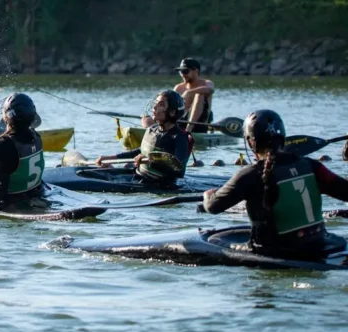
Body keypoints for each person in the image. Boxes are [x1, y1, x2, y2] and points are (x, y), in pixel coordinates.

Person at [202, 110, 348, 260]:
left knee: (214, 241)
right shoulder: (312, 167)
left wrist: (208, 195)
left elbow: (213, 207)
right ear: (282, 138)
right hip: (319, 244)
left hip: (276, 251)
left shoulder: (250, 175)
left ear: (251, 142)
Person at [95, 90, 192, 185]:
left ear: (172, 112)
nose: (154, 107)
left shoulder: (180, 137)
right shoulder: (152, 129)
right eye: (156, 103)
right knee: (113, 168)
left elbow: (178, 170)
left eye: (161, 105)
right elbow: (141, 151)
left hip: (159, 184)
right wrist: (110, 158)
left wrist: (150, 161)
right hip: (139, 177)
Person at [173, 58, 214, 133]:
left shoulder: (206, 83)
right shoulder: (178, 87)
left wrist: (189, 92)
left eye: (185, 71)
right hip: (181, 122)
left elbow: (210, 89)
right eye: (181, 72)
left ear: (196, 71)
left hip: (199, 123)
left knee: (199, 94)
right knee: (145, 118)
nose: (182, 75)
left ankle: (188, 130)